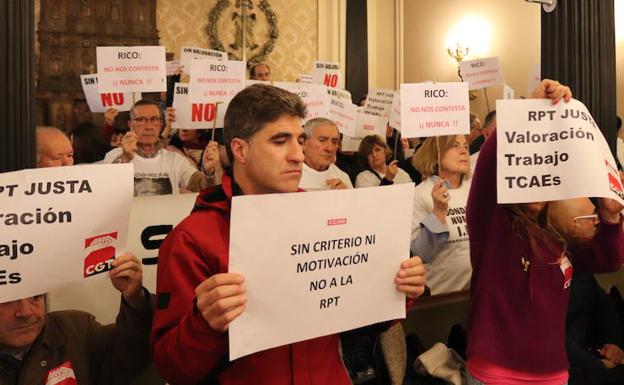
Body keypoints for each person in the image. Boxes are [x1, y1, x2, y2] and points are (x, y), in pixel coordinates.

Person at [151, 84, 426, 385]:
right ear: (240, 149)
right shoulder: (191, 239)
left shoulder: (326, 216)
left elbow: (359, 324)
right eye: (280, 141)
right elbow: (171, 367)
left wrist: (396, 289)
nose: (298, 155)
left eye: (300, 141)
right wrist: (203, 324)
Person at [465, 79, 624, 385]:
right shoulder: (493, 226)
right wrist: (528, 111)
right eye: (529, 166)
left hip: (553, 374)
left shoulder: (556, 236)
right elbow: (487, 170)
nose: (537, 179)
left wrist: (609, 217)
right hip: (496, 374)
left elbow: (607, 261)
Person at [101, 99, 220, 196]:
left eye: (154, 119)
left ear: (161, 125)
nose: (149, 126)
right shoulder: (115, 155)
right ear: (131, 125)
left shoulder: (174, 159)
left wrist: (208, 172)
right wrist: (125, 159)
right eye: (141, 120)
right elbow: (105, 188)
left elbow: (200, 185)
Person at [410, 134, 471, 295]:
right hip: (441, 296)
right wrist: (438, 212)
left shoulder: (475, 188)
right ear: (436, 154)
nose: (463, 151)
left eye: (466, 146)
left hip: (477, 292)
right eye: (455, 146)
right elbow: (420, 255)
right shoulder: (420, 194)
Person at [299, 117, 353, 190]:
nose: (329, 148)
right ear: (304, 142)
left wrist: (345, 195)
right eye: (322, 140)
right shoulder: (288, 175)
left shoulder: (342, 177)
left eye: (334, 142)